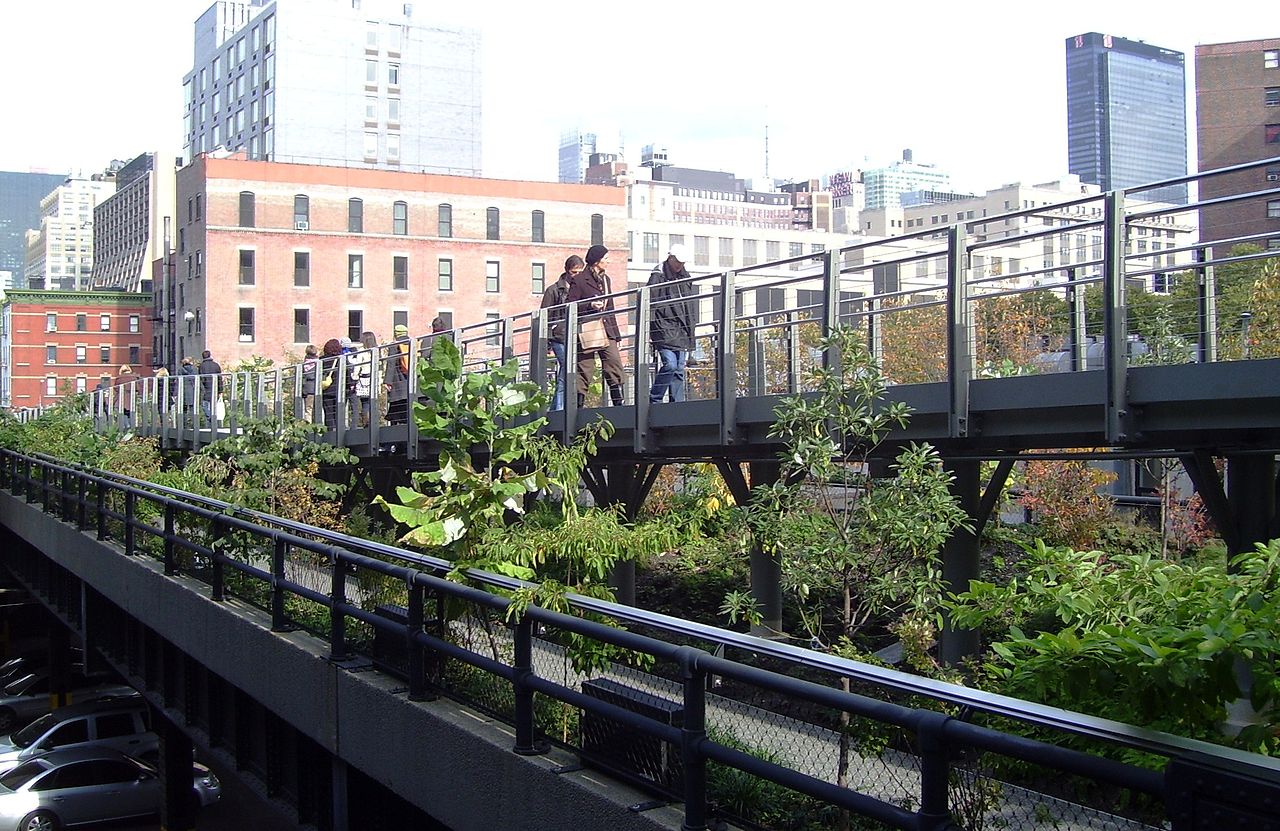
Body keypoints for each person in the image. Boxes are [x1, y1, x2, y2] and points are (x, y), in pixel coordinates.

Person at [566, 244, 624, 407]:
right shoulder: (578, 280)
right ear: (597, 261)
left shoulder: (606, 280)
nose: (608, 261)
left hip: (607, 329)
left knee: (614, 363)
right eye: (606, 258)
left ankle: (618, 401)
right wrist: (589, 305)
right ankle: (578, 406)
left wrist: (616, 335)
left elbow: (610, 307)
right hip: (588, 330)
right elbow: (571, 305)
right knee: (585, 367)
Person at [648, 243, 697, 403]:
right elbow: (651, 304)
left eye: (682, 263)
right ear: (670, 258)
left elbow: (688, 306)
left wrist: (690, 329)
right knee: (670, 365)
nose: (680, 265)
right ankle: (655, 398)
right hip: (664, 327)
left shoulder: (685, 276)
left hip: (681, 327)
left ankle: (677, 404)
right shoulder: (658, 276)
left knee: (679, 369)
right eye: (678, 262)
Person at [540, 254, 583, 410]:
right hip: (559, 336)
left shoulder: (581, 289)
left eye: (579, 272)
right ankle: (558, 408)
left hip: (576, 336)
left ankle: (556, 407)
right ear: (566, 270)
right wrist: (546, 343)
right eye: (574, 272)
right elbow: (544, 316)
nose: (576, 276)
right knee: (568, 367)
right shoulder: (553, 290)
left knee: (570, 369)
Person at [384, 324, 411, 425]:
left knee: (396, 407)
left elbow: (391, 363)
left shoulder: (394, 345)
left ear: (396, 333)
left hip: (397, 381)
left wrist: (387, 381)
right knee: (407, 409)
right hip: (409, 380)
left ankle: (395, 433)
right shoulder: (412, 343)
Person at [350, 333, 377, 427]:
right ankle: (372, 423)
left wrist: (354, 376)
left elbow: (357, 366)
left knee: (364, 403)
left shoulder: (361, 351)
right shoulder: (377, 351)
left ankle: (365, 424)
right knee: (371, 402)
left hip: (363, 379)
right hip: (374, 379)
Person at [320, 338, 344, 429]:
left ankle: (330, 432)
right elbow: (347, 373)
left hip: (327, 389)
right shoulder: (341, 359)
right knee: (338, 411)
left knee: (328, 412)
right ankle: (339, 431)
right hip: (339, 389)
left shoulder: (322, 360)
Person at [198, 350, 222, 422]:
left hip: (206, 389)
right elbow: (220, 378)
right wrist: (220, 390)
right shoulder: (216, 365)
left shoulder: (202, 366)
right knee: (213, 405)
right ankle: (213, 418)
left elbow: (201, 378)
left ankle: (210, 418)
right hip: (215, 388)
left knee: (204, 404)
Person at [300, 344, 320, 422]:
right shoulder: (319, 363)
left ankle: (309, 426)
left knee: (308, 409)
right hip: (318, 388)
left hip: (308, 389)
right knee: (318, 408)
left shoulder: (304, 364)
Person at [179, 356, 198, 424]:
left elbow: (178, 381)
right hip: (192, 391)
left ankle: (184, 425)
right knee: (192, 409)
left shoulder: (180, 370)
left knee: (183, 409)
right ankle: (194, 424)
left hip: (182, 391)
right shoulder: (195, 369)